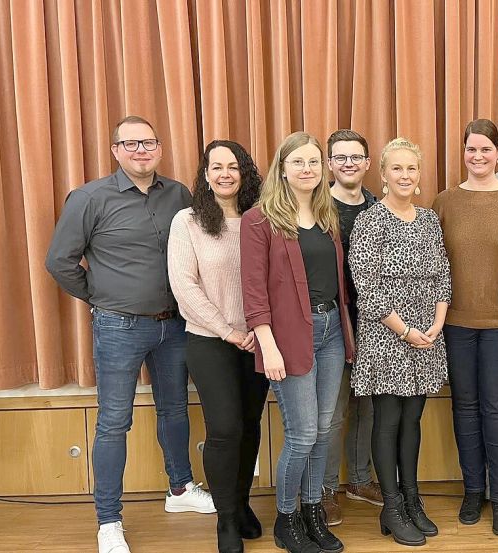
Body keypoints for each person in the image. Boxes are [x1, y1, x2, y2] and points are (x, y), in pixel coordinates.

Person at [46, 115, 215, 553]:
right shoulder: (89, 198)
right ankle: (109, 521)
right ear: (116, 150)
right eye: (131, 144)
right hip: (117, 326)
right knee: (114, 422)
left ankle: (179, 490)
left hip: (174, 325)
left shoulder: (178, 193)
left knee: (176, 411)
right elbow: (60, 262)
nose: (142, 151)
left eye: (149, 143)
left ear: (159, 148)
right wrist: (102, 297)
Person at [241, 132, 354, 553]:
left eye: (313, 162)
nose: (307, 169)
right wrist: (267, 346)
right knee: (303, 433)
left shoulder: (327, 216)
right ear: (282, 168)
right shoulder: (260, 220)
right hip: (288, 339)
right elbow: (254, 292)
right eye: (298, 162)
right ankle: (286, 519)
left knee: (324, 431)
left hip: (330, 333)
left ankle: (312, 513)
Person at [432, 119, 498, 536]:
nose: (478, 157)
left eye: (485, 150)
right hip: (454, 325)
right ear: (464, 152)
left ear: (497, 153)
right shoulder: (443, 202)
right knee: (465, 408)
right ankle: (474, 490)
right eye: (471, 150)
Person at [349, 137, 451, 547]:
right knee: (387, 421)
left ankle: (412, 499)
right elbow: (367, 288)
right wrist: (405, 330)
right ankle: (390, 506)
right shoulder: (370, 221)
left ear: (419, 174)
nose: (405, 176)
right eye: (397, 169)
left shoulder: (428, 220)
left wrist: (437, 323)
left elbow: (443, 273)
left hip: (427, 335)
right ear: (383, 174)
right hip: (386, 336)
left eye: (412, 169)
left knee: (413, 420)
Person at [168, 140, 267, 553]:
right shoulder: (187, 221)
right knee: (224, 429)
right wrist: (227, 330)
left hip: (259, 340)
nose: (225, 173)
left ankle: (242, 504)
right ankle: (225, 519)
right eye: (216, 167)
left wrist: (257, 331)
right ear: (205, 175)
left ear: (244, 172)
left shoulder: (261, 219)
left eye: (233, 166)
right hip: (211, 341)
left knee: (249, 426)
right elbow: (184, 287)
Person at [321, 129, 383, 526]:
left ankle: (360, 480)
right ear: (330, 164)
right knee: (333, 412)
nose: (348, 163)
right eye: (340, 157)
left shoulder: (379, 207)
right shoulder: (315, 208)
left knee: (368, 408)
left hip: (377, 322)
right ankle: (325, 489)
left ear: (367, 163)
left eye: (355, 157)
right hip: (331, 323)